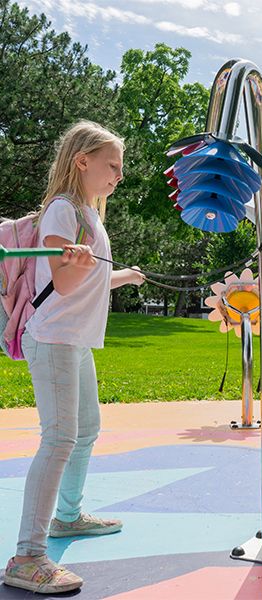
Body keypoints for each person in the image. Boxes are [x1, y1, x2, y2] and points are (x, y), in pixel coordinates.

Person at [3, 121, 146, 594]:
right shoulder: (63, 211)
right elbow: (62, 283)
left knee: (85, 430)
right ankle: (27, 557)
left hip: (76, 340)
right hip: (56, 339)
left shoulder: (88, 212)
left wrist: (125, 275)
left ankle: (66, 517)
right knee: (60, 437)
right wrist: (77, 264)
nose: (118, 176)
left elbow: (83, 280)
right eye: (112, 166)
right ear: (82, 160)